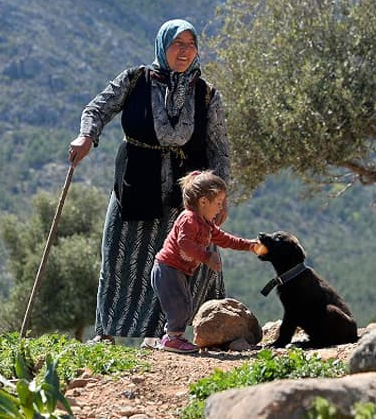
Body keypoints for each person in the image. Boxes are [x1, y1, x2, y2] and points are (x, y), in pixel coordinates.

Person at [68, 19, 232, 346]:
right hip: (136, 180)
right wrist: (86, 136)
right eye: (177, 44)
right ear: (162, 46)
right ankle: (107, 332)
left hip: (188, 190)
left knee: (183, 259)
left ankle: (176, 332)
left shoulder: (207, 95)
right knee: (120, 255)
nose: (184, 51)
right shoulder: (134, 80)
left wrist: (220, 198)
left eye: (190, 44)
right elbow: (98, 109)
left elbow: (219, 149)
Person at [152, 170, 260, 353]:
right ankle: (172, 338)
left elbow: (225, 239)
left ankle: (173, 337)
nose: (220, 208)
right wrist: (206, 256)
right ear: (203, 201)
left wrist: (248, 245)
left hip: (177, 270)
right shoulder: (189, 219)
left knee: (185, 303)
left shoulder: (207, 224)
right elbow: (184, 243)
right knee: (178, 304)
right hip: (167, 268)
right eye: (218, 203)